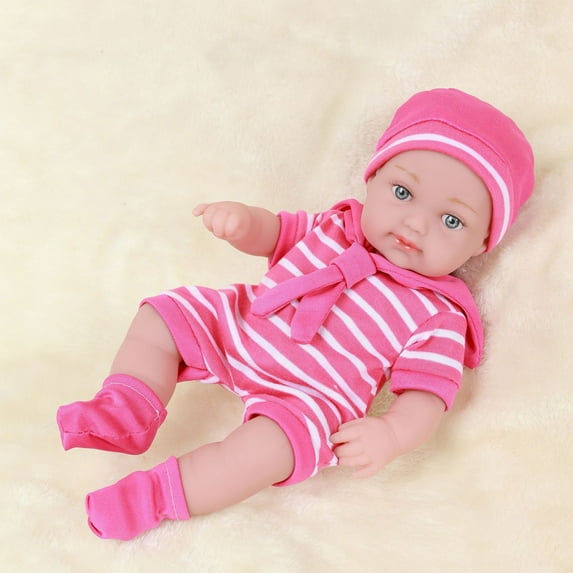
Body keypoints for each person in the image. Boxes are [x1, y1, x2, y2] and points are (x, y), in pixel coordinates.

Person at [56, 88, 534, 540]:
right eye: (403, 193)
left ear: (481, 245)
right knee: (164, 316)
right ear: (372, 179)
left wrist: (391, 434)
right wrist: (243, 223)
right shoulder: (336, 225)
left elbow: (426, 397)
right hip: (243, 326)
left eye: (451, 220)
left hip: (310, 397)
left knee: (262, 454)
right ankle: (128, 408)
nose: (415, 223)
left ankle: (150, 498)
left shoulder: (439, 314)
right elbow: (275, 233)